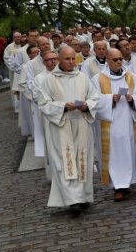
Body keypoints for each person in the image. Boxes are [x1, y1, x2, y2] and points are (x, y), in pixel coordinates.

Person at [36, 46, 99, 215]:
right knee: (65, 161)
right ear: (59, 60)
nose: (71, 62)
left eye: (73, 58)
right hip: (61, 124)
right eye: (67, 59)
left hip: (81, 122)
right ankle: (73, 200)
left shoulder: (83, 77)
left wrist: (88, 105)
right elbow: (43, 104)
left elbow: (95, 97)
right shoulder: (49, 80)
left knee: (83, 159)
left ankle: (84, 196)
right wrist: (63, 106)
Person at [94, 48, 136, 202]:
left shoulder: (131, 77)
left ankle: (127, 183)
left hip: (128, 123)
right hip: (109, 124)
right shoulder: (98, 78)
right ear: (107, 61)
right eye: (115, 60)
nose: (118, 62)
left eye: (120, 59)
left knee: (127, 152)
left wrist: (132, 99)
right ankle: (118, 187)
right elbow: (94, 100)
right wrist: (110, 99)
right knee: (114, 155)